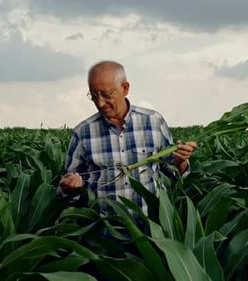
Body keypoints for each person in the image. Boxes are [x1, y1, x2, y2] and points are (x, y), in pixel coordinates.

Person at [59, 60, 197, 217]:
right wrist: (69, 188)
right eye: (94, 95)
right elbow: (65, 188)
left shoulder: (153, 122)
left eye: (106, 94)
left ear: (125, 88)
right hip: (105, 231)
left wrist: (181, 162)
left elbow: (173, 173)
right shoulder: (83, 132)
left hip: (153, 228)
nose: (100, 102)